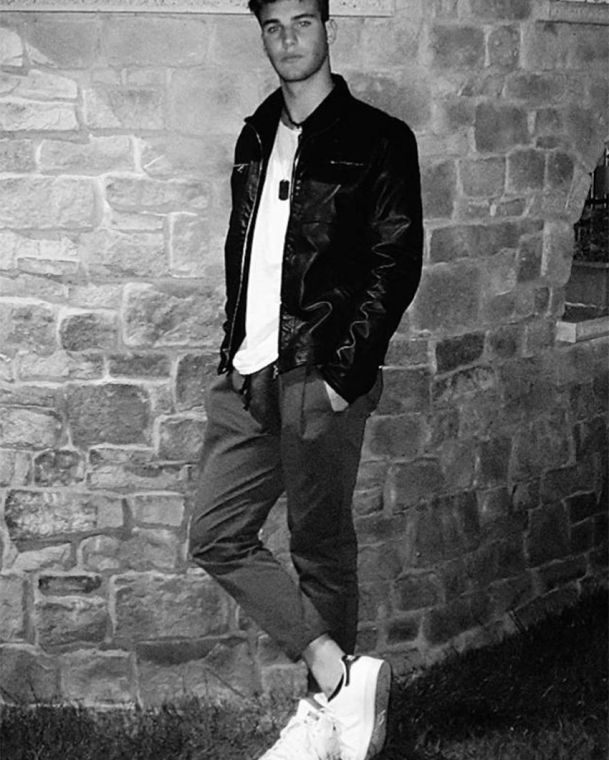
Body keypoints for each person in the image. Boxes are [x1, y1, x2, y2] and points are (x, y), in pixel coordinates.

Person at [189, 0, 423, 756]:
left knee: (319, 546)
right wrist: (233, 349)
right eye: (273, 26)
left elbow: (394, 265)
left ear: (328, 28)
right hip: (248, 373)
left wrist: (340, 379)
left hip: (317, 373)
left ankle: (326, 721)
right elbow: (249, 251)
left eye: (301, 21)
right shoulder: (257, 132)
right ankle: (337, 675)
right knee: (215, 534)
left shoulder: (380, 139)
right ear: (261, 34)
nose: (287, 39)